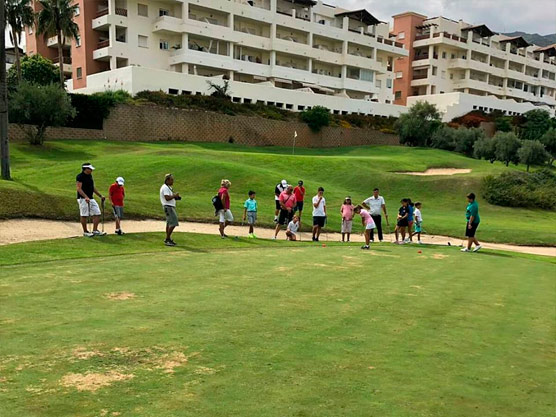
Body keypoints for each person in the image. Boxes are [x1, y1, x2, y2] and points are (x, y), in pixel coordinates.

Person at [76, 163, 106, 238]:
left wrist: (100, 195)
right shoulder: (80, 176)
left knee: (97, 213)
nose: (91, 170)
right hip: (82, 199)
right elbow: (79, 189)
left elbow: (92, 187)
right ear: (85, 169)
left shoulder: (90, 176)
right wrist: (85, 197)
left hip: (91, 198)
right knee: (84, 215)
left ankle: (95, 230)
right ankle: (85, 231)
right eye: (90, 169)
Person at [160, 174, 181, 246]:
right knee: (174, 222)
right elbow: (167, 198)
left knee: (169, 223)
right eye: (171, 180)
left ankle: (168, 238)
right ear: (167, 180)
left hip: (169, 206)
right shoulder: (165, 187)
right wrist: (174, 195)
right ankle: (167, 239)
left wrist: (176, 197)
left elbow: (170, 197)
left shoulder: (168, 187)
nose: (173, 181)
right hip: (168, 207)